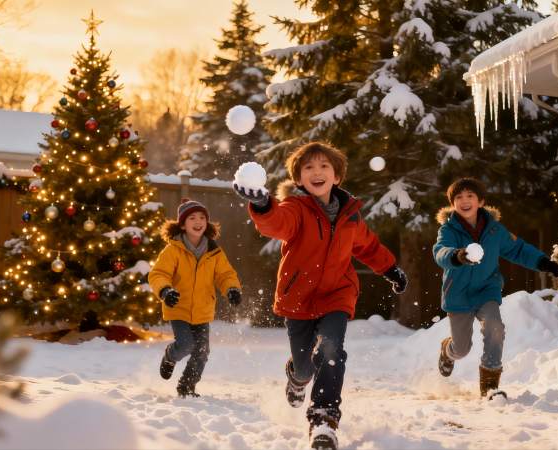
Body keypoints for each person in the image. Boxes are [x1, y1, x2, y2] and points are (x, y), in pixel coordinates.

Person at [233, 142, 407, 450]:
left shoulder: (351, 214)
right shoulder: (295, 209)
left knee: (331, 349)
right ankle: (296, 375)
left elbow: (367, 246)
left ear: (337, 176)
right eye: (309, 168)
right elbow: (277, 224)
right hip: (297, 300)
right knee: (305, 368)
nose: (317, 172)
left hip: (336, 296)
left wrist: (390, 269)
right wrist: (263, 206)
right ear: (299, 179)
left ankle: (324, 419)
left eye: (324, 166)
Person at [433, 177, 558, 399]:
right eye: (459, 197)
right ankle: (448, 350)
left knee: (495, 329)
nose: (464, 201)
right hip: (458, 294)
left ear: (481, 201)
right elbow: (440, 251)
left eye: (470, 196)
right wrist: (457, 255)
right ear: (452, 203)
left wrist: (543, 262)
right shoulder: (448, 230)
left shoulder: (494, 230)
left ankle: (490, 388)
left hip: (486, 291)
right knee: (462, 349)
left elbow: (518, 249)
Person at [149, 198, 242, 398]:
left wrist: (232, 289)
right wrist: (165, 290)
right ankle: (170, 356)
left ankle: (187, 387)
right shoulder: (173, 250)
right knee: (186, 345)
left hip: (203, 310)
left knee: (202, 352)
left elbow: (225, 275)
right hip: (179, 308)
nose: (198, 221)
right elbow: (159, 274)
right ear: (182, 224)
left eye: (202, 217)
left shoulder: (214, 251)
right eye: (192, 218)